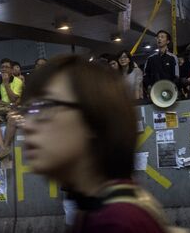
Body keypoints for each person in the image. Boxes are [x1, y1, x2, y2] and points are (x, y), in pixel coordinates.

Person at [18, 55, 166, 232]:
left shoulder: (116, 221)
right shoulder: (95, 208)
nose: (27, 125)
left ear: (92, 120)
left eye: (45, 107)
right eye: (28, 110)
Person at [0, 58, 23, 160]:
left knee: (12, 118)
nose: (4, 69)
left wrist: (6, 83)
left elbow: (14, 99)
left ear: (12, 70)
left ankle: (6, 145)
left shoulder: (18, 82)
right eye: (2, 67)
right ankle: (3, 148)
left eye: (6, 67)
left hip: (13, 109)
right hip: (1, 109)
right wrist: (9, 104)